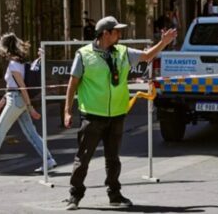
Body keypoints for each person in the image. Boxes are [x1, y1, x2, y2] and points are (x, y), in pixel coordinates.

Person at [64, 16, 177, 210]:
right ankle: (75, 196)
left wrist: (163, 43)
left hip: (117, 114)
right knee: (82, 159)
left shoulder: (123, 52)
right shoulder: (83, 54)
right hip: (92, 115)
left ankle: (114, 195)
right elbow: (72, 83)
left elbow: (146, 56)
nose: (120, 34)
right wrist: (67, 111)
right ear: (105, 33)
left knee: (113, 159)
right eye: (116, 31)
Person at [0, 33, 57, 174]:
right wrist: (3, 101)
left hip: (16, 101)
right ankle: (48, 159)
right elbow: (14, 86)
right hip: (16, 100)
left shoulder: (13, 64)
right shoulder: (20, 63)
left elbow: (21, 87)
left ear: (6, 48)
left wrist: (30, 107)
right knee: (31, 133)